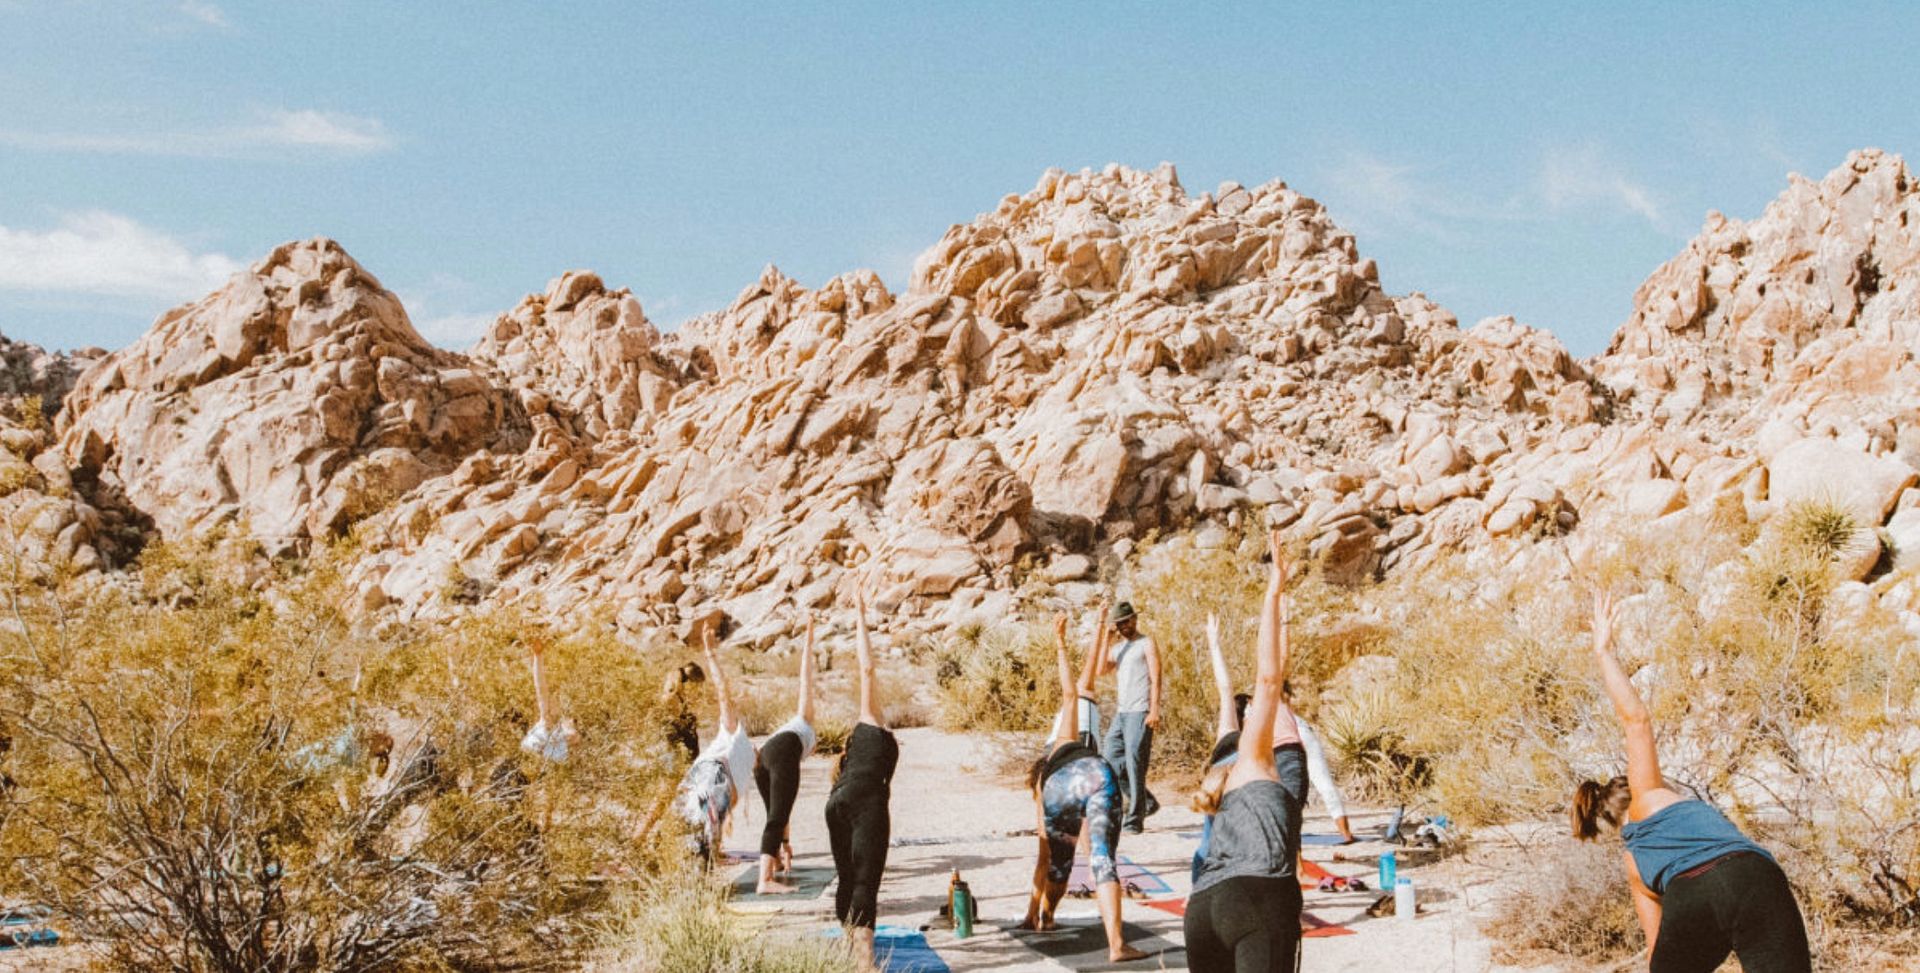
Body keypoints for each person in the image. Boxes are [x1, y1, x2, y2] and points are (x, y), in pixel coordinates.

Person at [1574, 591, 1811, 972]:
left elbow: (1656, 952)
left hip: (1693, 894)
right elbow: (1636, 720)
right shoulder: (1648, 794)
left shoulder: (1633, 863)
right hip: (1754, 876)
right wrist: (1603, 652)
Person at [1185, 530, 1305, 972]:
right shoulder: (1254, 757)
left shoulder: (1225, 778)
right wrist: (1274, 593)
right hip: (1256, 898)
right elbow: (1269, 678)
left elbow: (1231, 690)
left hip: (1202, 907)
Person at [1019, 610, 1148, 962]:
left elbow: (1044, 859)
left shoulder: (1044, 787)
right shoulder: (1062, 740)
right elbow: (1070, 692)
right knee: (1103, 860)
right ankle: (1117, 945)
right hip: (1095, 772)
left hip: (1062, 788)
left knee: (1061, 865)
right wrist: (1059, 642)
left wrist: (1033, 914)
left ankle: (1047, 917)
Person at [825, 585, 897, 970]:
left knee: (847, 878)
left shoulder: (857, 750)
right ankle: (865, 963)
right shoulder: (868, 722)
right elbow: (866, 667)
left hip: (836, 803)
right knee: (866, 880)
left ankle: (846, 953)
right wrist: (860, 616)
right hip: (866, 799)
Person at [673, 624, 756, 865]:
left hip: (708, 776)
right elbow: (723, 691)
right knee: (700, 836)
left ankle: (704, 858)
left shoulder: (743, 767)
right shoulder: (732, 730)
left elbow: (728, 806)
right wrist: (709, 652)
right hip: (711, 774)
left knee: (698, 837)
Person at [753, 614, 819, 894]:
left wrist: (786, 843)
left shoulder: (795, 728)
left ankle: (776, 862)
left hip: (764, 755)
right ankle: (764, 881)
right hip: (779, 753)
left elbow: (784, 809)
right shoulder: (805, 717)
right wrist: (809, 638)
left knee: (776, 813)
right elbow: (805, 679)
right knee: (775, 817)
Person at [1097, 600, 1161, 833]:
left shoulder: (1146, 643)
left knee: (1135, 763)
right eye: (1119, 624)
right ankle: (1147, 802)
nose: (1124, 626)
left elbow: (1156, 678)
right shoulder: (1119, 648)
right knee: (1111, 758)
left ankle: (1134, 819)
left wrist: (1154, 709)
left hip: (1140, 710)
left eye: (1126, 621)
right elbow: (1100, 669)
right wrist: (1106, 636)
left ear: (1135, 619)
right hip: (1122, 712)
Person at [1048, 599, 1109, 750]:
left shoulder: (1081, 694)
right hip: (1074, 740)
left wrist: (1060, 640)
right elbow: (1092, 659)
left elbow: (1091, 660)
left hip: (1060, 742)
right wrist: (1101, 621)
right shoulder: (1082, 693)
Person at [519, 636, 576, 763]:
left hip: (539, 772)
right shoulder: (545, 719)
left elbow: (572, 738)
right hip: (522, 763)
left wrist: (570, 734)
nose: (553, 702)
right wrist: (538, 657)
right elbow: (540, 686)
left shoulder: (562, 737)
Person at [658, 660, 706, 765]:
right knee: (682, 750)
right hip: (673, 719)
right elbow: (670, 697)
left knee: (680, 750)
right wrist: (680, 717)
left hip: (674, 718)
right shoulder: (675, 678)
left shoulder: (676, 677)